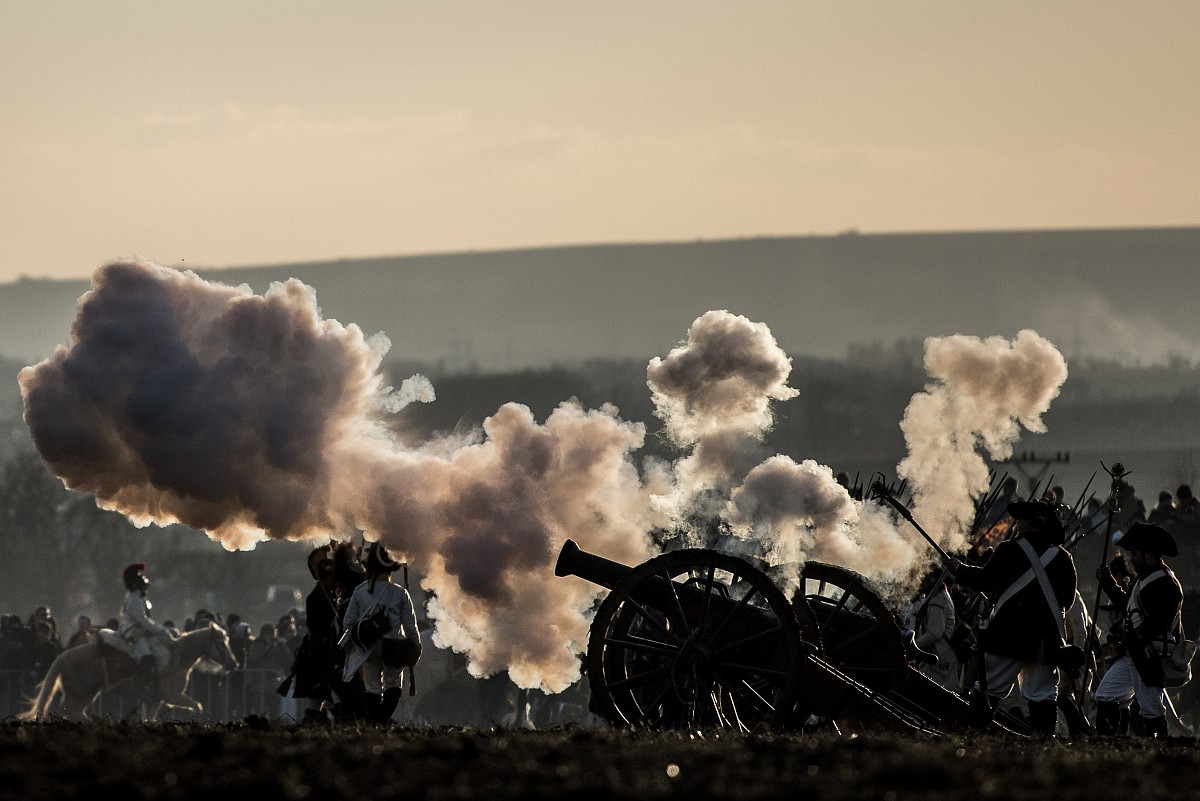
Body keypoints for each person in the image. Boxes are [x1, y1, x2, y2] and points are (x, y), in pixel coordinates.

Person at [950, 499, 1078, 736]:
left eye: (1021, 520)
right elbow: (1067, 602)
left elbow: (985, 581)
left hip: (1008, 636)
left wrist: (959, 570)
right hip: (1045, 643)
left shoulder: (1008, 549)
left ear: (1029, 523)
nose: (1017, 525)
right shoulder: (1063, 558)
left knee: (989, 688)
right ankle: (1042, 744)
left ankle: (974, 738)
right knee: (1043, 696)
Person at [1093, 522, 1185, 738]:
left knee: (1151, 709)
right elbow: (1128, 605)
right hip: (1133, 653)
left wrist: (1138, 636)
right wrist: (1108, 583)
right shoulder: (1142, 579)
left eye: (1134, 553)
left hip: (1149, 656)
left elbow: (1161, 620)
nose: (1131, 559)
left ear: (1149, 555)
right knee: (1106, 695)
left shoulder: (1166, 583)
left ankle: (1158, 750)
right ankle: (1108, 746)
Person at [342, 541, 422, 726]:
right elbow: (410, 626)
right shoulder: (400, 593)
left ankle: (376, 723)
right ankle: (380, 721)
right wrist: (415, 645)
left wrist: (354, 641)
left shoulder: (360, 591)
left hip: (367, 645)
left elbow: (348, 623)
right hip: (393, 647)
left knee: (372, 687)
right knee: (393, 685)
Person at [116, 562, 176, 701]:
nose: (146, 587)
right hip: (133, 631)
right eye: (144, 585)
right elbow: (143, 621)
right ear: (138, 585)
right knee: (147, 657)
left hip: (140, 629)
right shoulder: (134, 600)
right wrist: (162, 630)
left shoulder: (139, 599)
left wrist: (161, 630)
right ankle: (143, 687)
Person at [903, 568, 960, 692]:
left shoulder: (938, 600)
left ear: (932, 579)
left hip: (939, 657)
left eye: (924, 577)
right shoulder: (937, 597)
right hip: (935, 654)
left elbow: (934, 633)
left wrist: (913, 646)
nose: (920, 581)